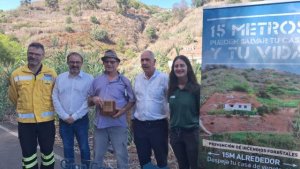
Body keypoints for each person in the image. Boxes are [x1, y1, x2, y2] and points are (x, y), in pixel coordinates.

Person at [8, 42, 57, 169]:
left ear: (43, 56)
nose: (33, 56)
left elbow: (55, 95)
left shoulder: (51, 73)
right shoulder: (16, 74)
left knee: (47, 154)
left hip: (46, 122)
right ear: (27, 54)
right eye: (31, 53)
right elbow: (13, 97)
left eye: (37, 54)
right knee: (28, 155)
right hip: (26, 123)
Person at [88, 50, 135, 169]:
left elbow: (132, 100)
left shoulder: (124, 81)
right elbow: (89, 101)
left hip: (118, 124)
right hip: (100, 125)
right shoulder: (97, 80)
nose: (109, 64)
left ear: (117, 63)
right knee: (97, 155)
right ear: (103, 63)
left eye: (112, 62)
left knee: (121, 155)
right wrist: (94, 99)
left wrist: (122, 111)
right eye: (106, 61)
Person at [52, 52, 93, 168]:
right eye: (72, 62)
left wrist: (75, 116)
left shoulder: (89, 79)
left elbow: (88, 100)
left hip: (81, 120)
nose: (75, 64)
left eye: (77, 62)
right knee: (67, 147)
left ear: (82, 63)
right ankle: (69, 166)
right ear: (67, 62)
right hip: (64, 120)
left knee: (84, 146)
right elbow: (55, 97)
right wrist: (64, 116)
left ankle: (86, 166)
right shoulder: (60, 78)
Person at [132, 50, 169, 169]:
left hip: (158, 125)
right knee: (144, 160)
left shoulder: (164, 78)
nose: (144, 62)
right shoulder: (137, 79)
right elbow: (135, 101)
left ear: (154, 62)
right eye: (142, 60)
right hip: (140, 125)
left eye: (147, 60)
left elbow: (171, 100)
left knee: (161, 158)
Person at [167, 55, 202, 169]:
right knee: (183, 165)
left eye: (182, 65)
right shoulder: (171, 89)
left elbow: (201, 113)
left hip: (191, 134)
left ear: (188, 68)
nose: (179, 68)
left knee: (194, 165)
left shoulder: (196, 89)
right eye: (176, 66)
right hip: (176, 135)